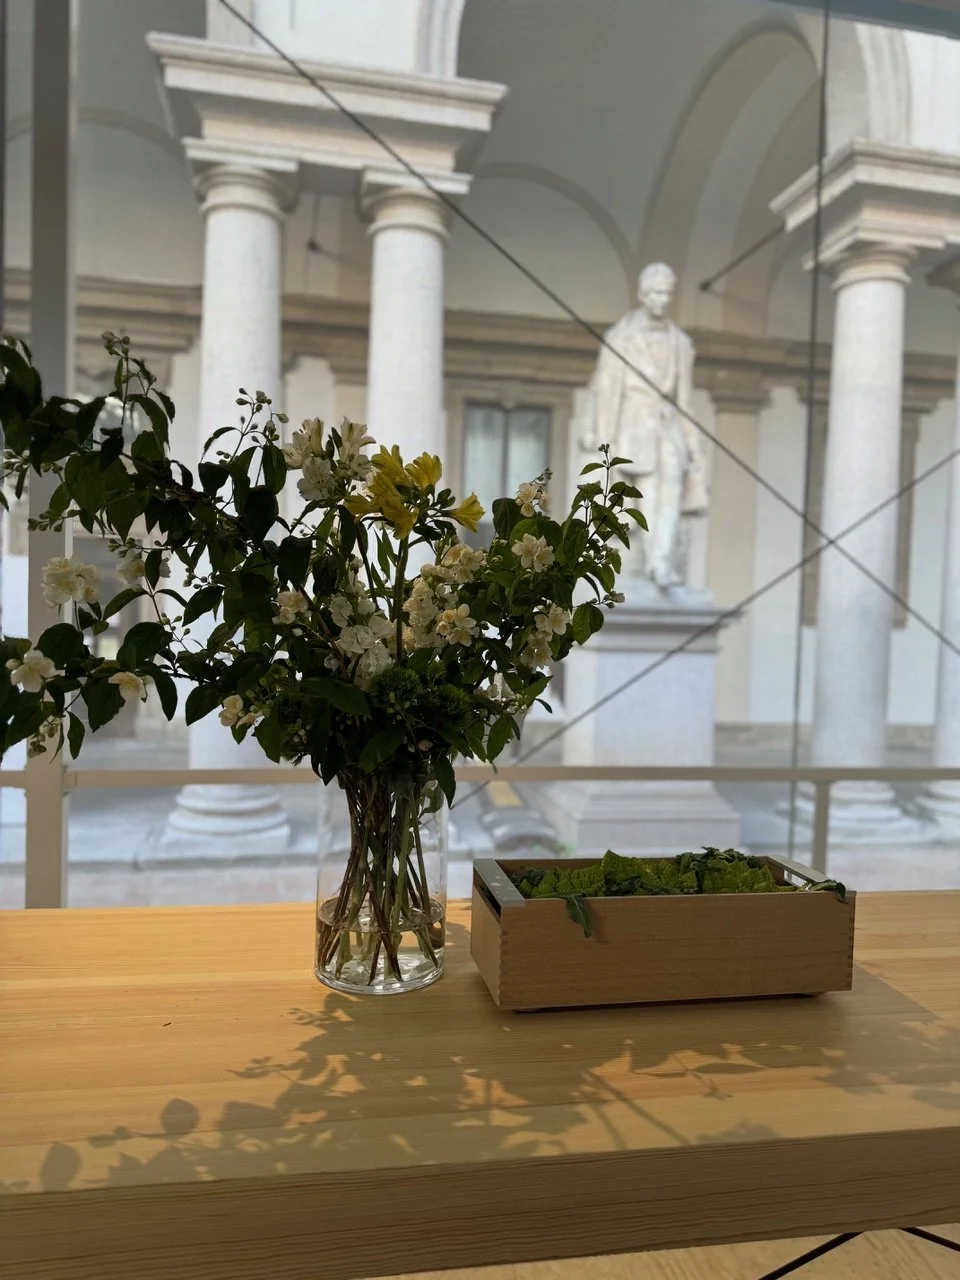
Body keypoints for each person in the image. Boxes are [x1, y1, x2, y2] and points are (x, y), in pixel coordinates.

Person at [581, 262, 708, 591]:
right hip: (634, 424)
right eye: (654, 292)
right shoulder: (621, 337)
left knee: (672, 492)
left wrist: (695, 449)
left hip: (667, 425)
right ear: (641, 294)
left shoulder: (680, 342)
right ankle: (653, 562)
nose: (661, 300)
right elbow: (604, 390)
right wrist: (599, 437)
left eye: (666, 293)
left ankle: (661, 561)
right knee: (649, 493)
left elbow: (684, 401)